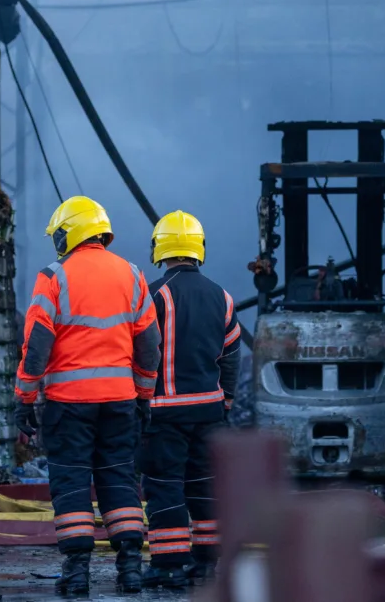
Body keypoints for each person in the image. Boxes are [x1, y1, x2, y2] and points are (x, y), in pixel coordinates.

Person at [14, 195, 161, 596]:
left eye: (58, 234)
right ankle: (130, 568)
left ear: (71, 232)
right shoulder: (131, 274)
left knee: (72, 481)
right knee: (119, 479)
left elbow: (37, 345)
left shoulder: (54, 277)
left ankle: (77, 573)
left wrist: (24, 398)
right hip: (119, 401)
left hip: (69, 403)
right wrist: (143, 396)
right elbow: (150, 344)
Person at [141, 210, 242, 589]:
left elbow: (141, 353)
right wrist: (225, 402)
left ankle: (168, 565)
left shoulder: (155, 295)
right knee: (206, 485)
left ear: (160, 248)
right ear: (199, 248)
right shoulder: (223, 297)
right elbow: (232, 356)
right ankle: (206, 565)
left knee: (165, 484)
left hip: (165, 413)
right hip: (211, 411)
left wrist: (138, 402)